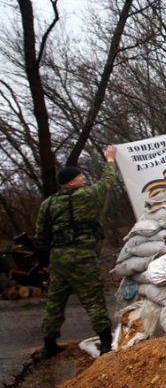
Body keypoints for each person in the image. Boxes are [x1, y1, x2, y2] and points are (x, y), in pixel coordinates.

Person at [34, 145, 118, 360]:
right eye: (80, 176)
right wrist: (110, 160)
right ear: (71, 182)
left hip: (58, 258)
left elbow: (41, 235)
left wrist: (44, 260)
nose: (83, 178)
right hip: (81, 257)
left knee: (55, 301)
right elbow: (107, 183)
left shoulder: (48, 204)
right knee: (93, 300)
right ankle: (106, 343)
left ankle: (49, 345)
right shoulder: (84, 196)